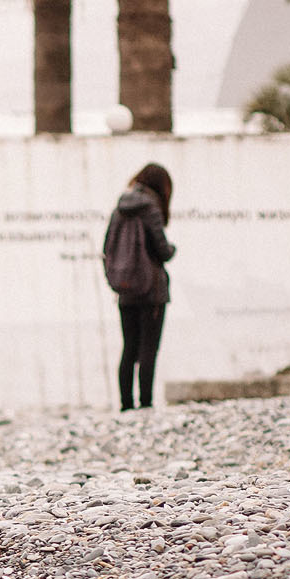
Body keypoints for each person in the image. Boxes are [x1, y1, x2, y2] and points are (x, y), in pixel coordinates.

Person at [103, 163, 176, 412]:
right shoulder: (150, 208)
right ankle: (145, 404)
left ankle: (126, 404)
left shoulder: (119, 208)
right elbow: (162, 250)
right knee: (148, 348)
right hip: (152, 289)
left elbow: (107, 249)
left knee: (129, 348)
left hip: (125, 289)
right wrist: (173, 249)